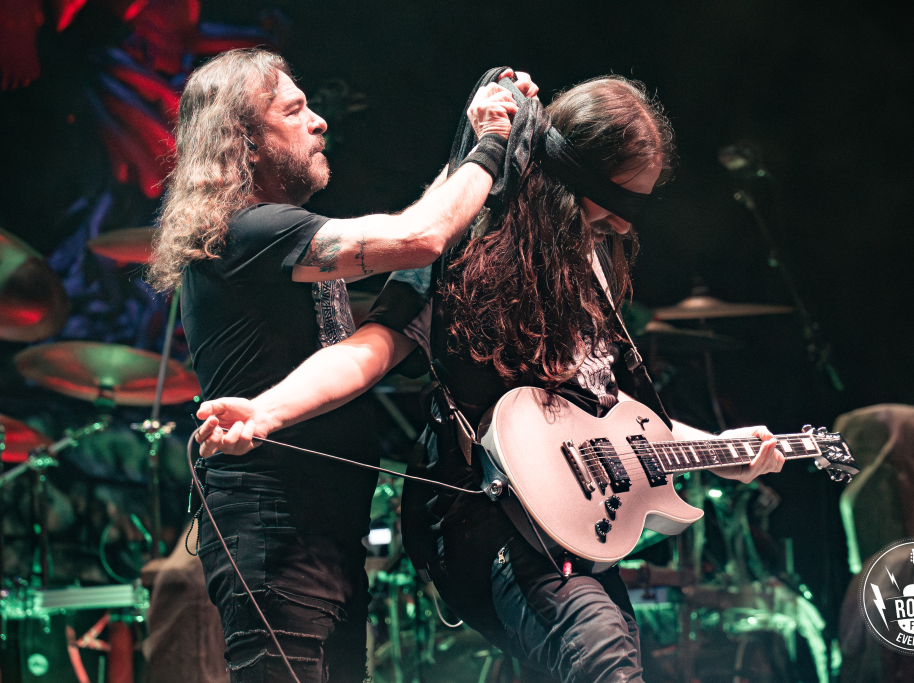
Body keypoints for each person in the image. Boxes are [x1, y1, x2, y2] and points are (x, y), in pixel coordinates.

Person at [195, 74, 785, 683]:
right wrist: (269, 411)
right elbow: (368, 349)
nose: (626, 225)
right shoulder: (474, 247)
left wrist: (717, 452)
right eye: (617, 202)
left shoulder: (593, 270)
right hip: (495, 520)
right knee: (605, 660)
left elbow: (620, 418)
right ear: (571, 176)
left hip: (577, 533)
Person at [146, 48, 538, 682]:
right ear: (244, 141)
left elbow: (379, 329)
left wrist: (472, 138)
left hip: (321, 533)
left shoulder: (283, 237)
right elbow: (421, 237)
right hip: (274, 530)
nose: (319, 121)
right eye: (295, 110)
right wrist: (490, 144)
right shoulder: (251, 231)